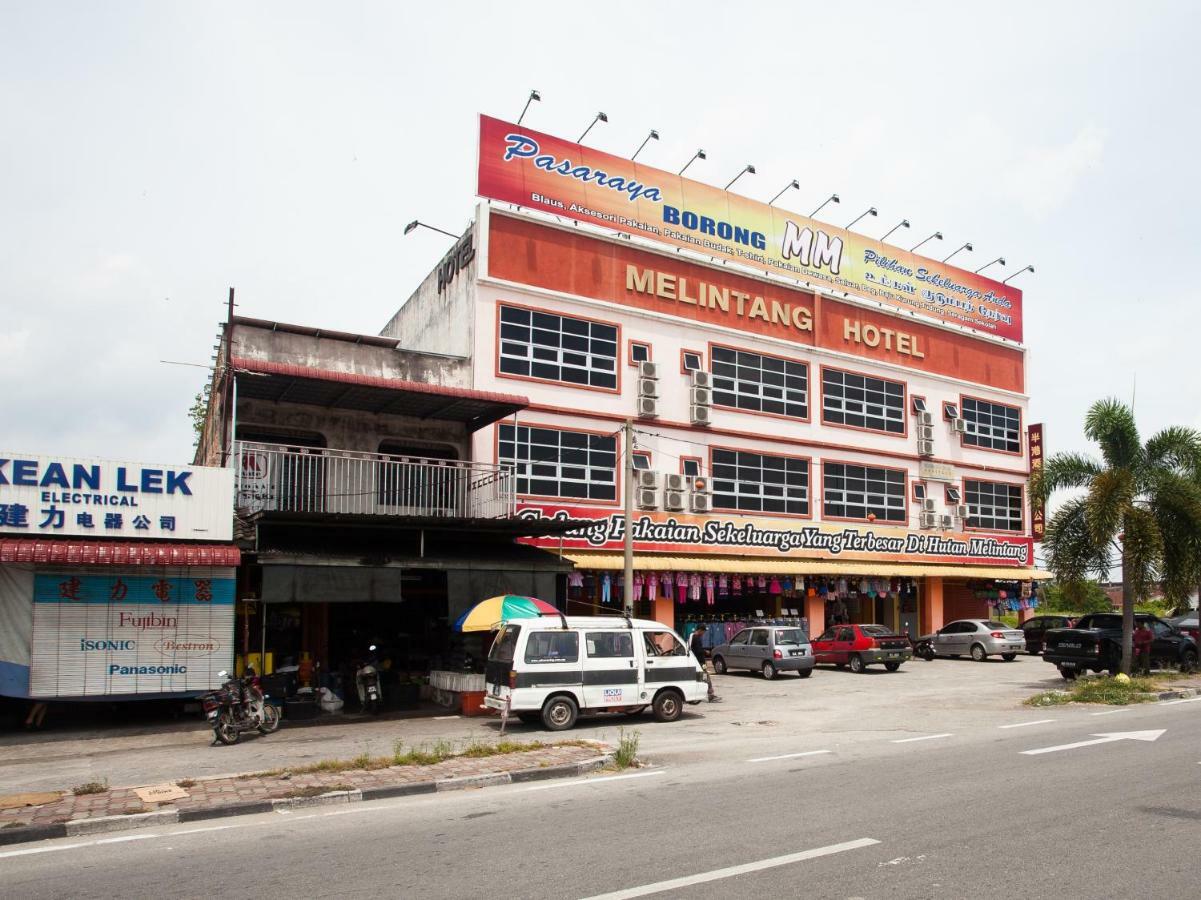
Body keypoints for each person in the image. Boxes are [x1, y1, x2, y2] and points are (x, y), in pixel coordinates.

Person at [689, 625, 720, 703]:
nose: (704, 633)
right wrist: (705, 651)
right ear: (700, 630)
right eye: (703, 631)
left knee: (698, 678)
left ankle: (693, 696)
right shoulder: (697, 638)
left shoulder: (692, 636)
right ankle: (711, 696)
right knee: (706, 677)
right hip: (701, 662)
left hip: (696, 661)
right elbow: (698, 651)